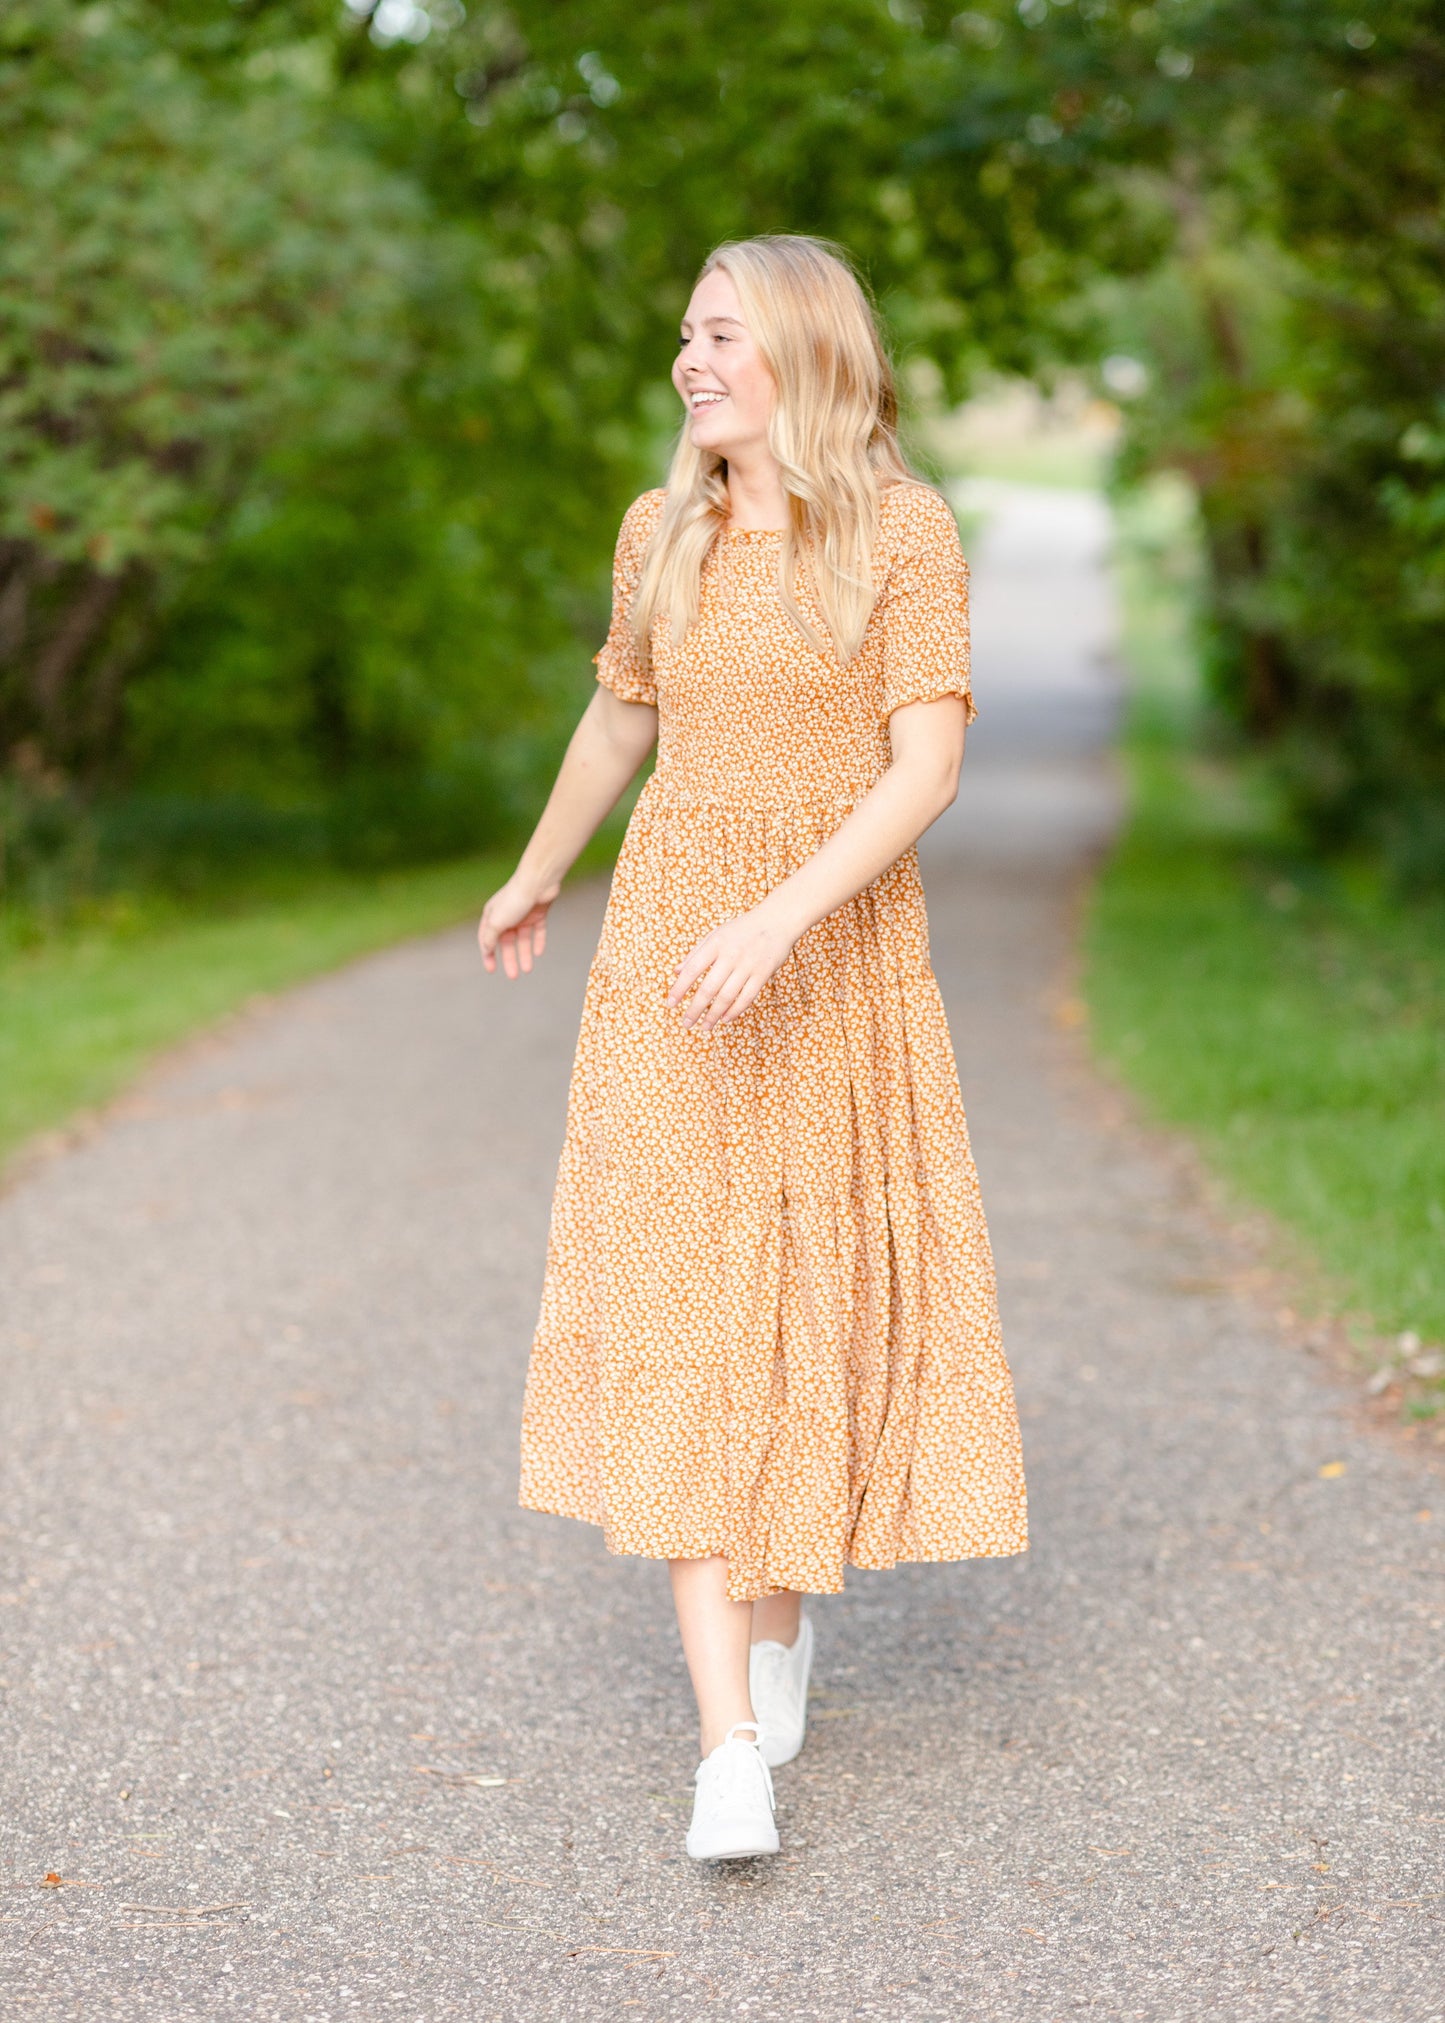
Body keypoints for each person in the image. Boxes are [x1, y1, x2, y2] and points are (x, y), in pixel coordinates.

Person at [478, 234, 1027, 1863]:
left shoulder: (901, 532)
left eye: (719, 334)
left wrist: (781, 918)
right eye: (683, 334)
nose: (689, 361)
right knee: (685, 1301)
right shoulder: (665, 529)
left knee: (796, 1296)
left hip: (828, 953)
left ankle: (778, 1626)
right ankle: (727, 1750)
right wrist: (538, 866)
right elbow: (619, 716)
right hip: (667, 952)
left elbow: (920, 769)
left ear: (799, 351)